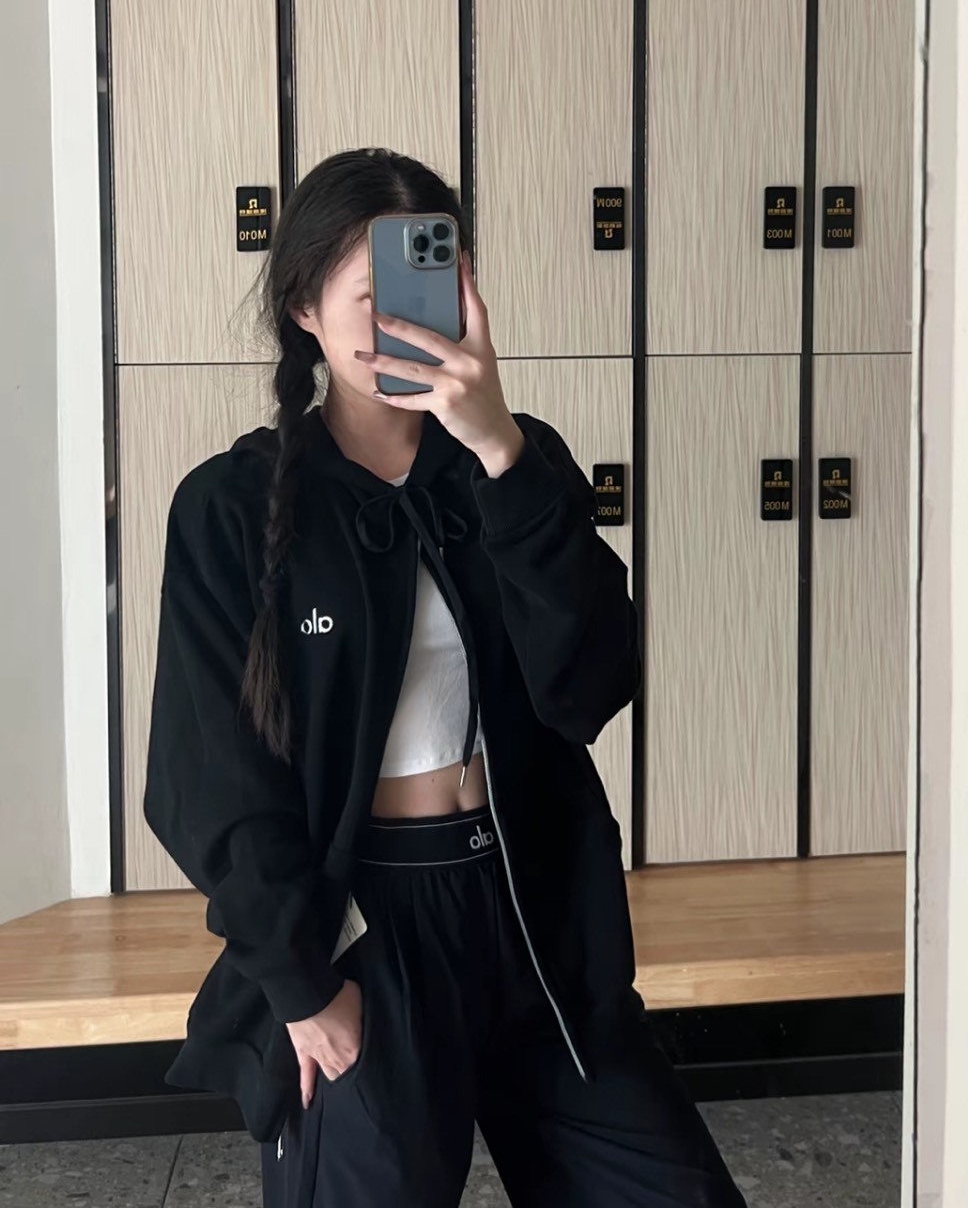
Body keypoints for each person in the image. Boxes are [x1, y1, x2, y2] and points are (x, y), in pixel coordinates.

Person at [144, 148, 745, 1207]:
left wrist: (501, 450)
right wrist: (303, 985)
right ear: (304, 311)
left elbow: (592, 684)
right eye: (370, 298)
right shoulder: (231, 506)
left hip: (531, 906)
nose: (404, 324)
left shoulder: (515, 459)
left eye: (428, 285)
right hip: (367, 928)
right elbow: (209, 780)